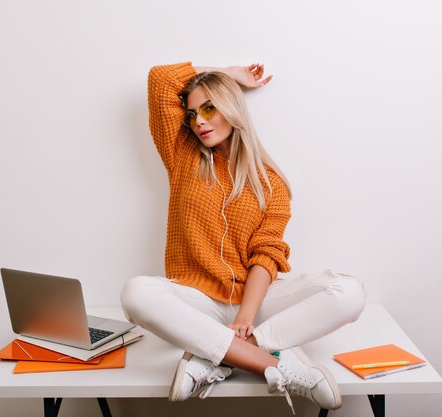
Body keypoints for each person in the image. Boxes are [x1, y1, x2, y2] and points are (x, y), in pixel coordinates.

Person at [120, 62, 366, 413]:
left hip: (255, 303)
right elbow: (160, 79)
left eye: (209, 108)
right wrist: (225, 73)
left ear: (231, 108)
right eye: (192, 114)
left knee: (350, 293)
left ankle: (218, 355)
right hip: (196, 300)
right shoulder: (182, 156)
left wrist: (246, 319)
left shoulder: (271, 183)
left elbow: (266, 255)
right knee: (136, 292)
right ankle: (276, 367)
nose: (199, 122)